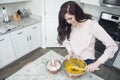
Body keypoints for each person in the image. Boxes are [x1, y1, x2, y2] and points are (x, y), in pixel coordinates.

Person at [57, 1, 118, 72]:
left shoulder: (92, 26)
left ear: (77, 13)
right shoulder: (69, 25)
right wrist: (70, 52)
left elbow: (112, 46)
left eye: (70, 18)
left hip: (87, 61)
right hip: (73, 58)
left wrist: (96, 64)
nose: (69, 22)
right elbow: (67, 41)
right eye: (66, 20)